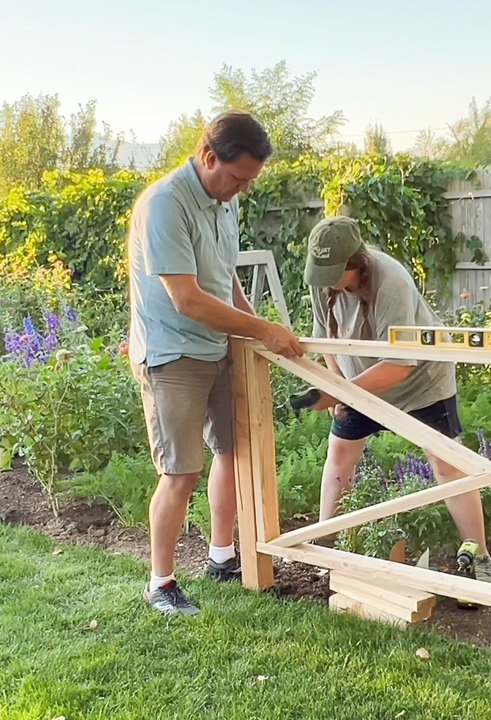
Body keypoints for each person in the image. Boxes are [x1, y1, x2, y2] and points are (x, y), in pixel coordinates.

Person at [127, 111, 304, 616]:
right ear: (209, 158)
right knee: (180, 473)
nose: (241, 189)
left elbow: (224, 281)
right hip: (173, 355)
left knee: (232, 450)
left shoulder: (224, 203)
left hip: (218, 347)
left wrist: (256, 332)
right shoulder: (166, 204)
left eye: (249, 181)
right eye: (237, 177)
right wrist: (263, 330)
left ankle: (221, 558)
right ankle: (160, 584)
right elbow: (187, 299)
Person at [303, 216, 491, 582]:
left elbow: (398, 365)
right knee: (340, 454)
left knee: (446, 464)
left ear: (356, 264)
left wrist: (345, 391)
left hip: (420, 380)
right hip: (358, 379)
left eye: (335, 274)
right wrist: (338, 385)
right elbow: (325, 340)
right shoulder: (321, 279)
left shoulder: (391, 281)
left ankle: (480, 557)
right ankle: (322, 546)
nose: (326, 281)